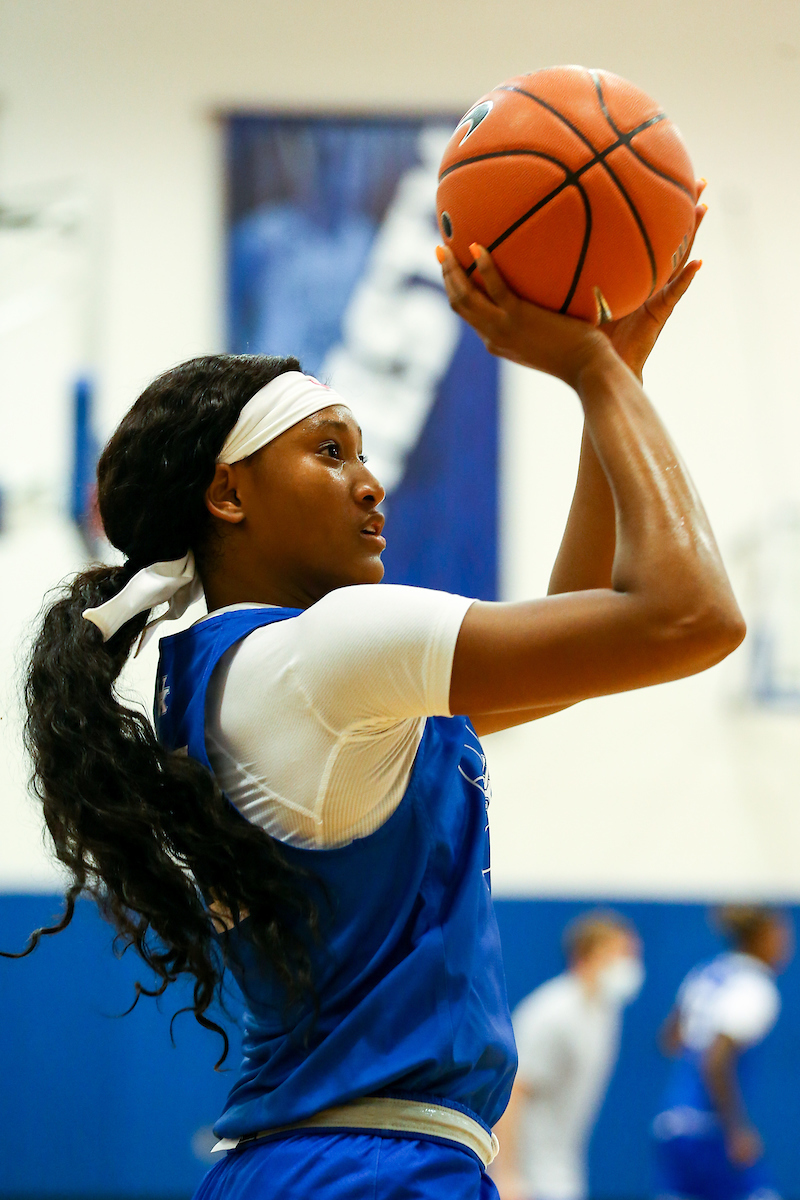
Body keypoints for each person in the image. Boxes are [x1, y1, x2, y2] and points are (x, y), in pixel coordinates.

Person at [10, 180, 745, 1199]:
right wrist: (585, 365)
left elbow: (583, 643)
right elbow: (692, 617)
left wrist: (605, 383)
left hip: (320, 1163)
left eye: (363, 451)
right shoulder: (324, 658)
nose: (370, 482)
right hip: (370, 1171)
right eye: (328, 451)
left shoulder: (259, 678)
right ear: (227, 495)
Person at [492, 911, 644, 1200]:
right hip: (531, 1180)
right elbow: (512, 1091)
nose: (631, 964)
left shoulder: (605, 1012)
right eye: (623, 953)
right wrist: (507, 1176)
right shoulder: (552, 1013)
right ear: (589, 954)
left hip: (563, 1173)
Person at [653, 905, 793, 1200]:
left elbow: (670, 1039)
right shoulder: (755, 986)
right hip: (709, 1129)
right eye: (782, 935)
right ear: (762, 937)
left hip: (672, 1122)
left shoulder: (706, 972)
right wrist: (735, 1129)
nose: (787, 945)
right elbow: (716, 1059)